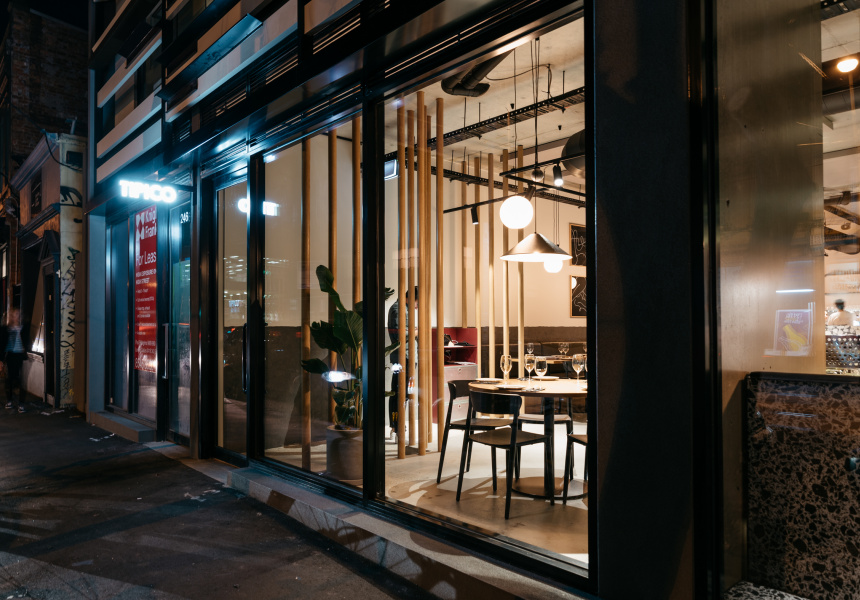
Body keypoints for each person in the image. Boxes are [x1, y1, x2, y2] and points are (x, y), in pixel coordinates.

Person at [387, 287, 418, 439]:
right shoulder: (398, 309)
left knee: (401, 393)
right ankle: (396, 426)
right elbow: (399, 335)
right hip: (402, 358)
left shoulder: (402, 308)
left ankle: (397, 426)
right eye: (417, 303)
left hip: (405, 357)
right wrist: (415, 332)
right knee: (399, 393)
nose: (417, 307)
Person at [1, 309, 27, 412]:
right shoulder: (6, 329)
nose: (17, 316)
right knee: (9, 379)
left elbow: (27, 340)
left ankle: (21, 403)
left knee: (20, 380)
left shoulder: (23, 328)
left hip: (20, 355)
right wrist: (1, 359)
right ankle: (9, 400)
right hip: (10, 355)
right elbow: (2, 344)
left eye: (19, 315)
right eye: (15, 314)